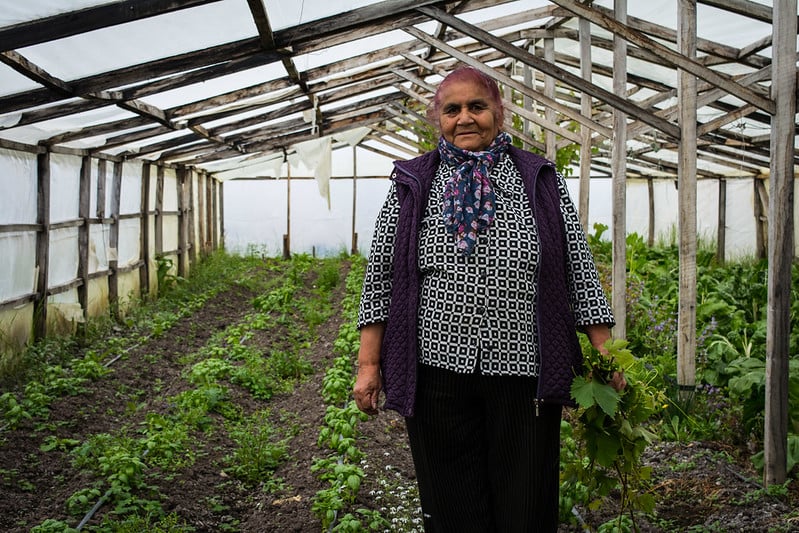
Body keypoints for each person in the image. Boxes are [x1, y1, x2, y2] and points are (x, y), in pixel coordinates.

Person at [353, 65, 616, 533]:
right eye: (452, 110)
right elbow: (381, 279)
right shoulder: (413, 183)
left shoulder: (538, 178)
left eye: (477, 106)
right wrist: (368, 366)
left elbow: (579, 269)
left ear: (499, 112)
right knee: (451, 505)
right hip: (436, 370)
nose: (465, 118)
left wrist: (606, 354)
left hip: (525, 370)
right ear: (439, 119)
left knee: (526, 502)